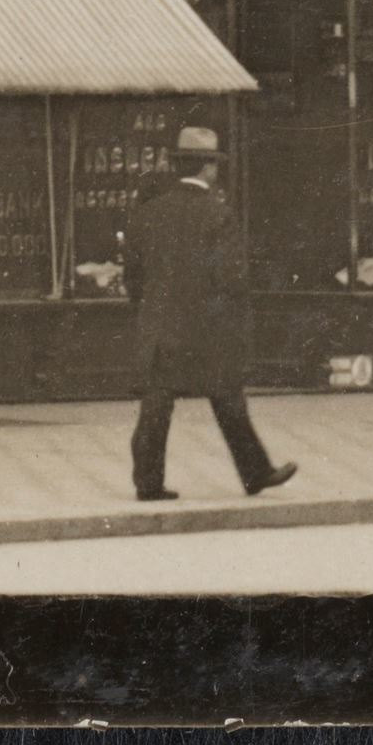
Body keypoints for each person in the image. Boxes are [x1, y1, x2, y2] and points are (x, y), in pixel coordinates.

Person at [122, 125, 294, 503]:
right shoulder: (219, 215)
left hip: (161, 327)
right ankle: (255, 472)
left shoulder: (148, 214)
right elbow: (232, 279)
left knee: (156, 405)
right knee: (228, 398)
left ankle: (148, 483)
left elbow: (132, 276)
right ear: (209, 168)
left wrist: (150, 310)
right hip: (207, 329)